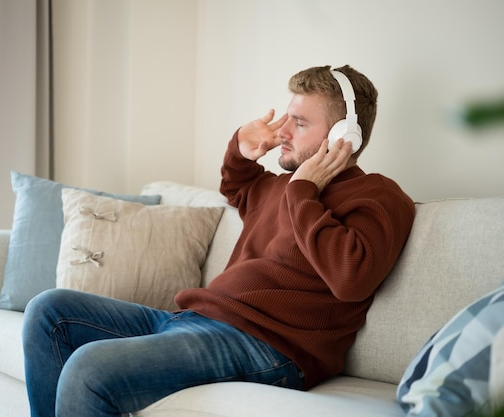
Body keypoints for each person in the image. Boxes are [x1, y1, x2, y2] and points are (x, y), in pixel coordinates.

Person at [22, 65, 415, 417]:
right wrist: (242, 147)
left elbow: (351, 279)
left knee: (90, 368)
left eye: (298, 122)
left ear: (343, 136)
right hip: (194, 320)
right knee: (48, 311)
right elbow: (237, 186)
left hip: (266, 347)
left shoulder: (377, 196)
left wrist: (304, 192)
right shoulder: (280, 188)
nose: (282, 133)